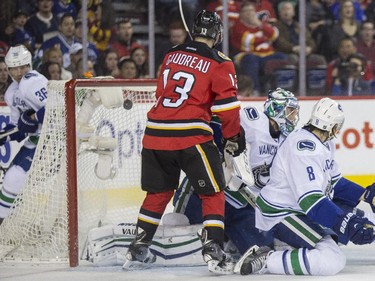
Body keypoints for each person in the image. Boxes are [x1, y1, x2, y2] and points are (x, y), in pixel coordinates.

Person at [123, 10, 245, 274]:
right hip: (190, 135)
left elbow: (162, 93)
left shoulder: (171, 54)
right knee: (212, 192)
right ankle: (213, 248)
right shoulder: (220, 61)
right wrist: (234, 136)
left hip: (155, 132)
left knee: (158, 193)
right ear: (217, 33)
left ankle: (138, 247)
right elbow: (228, 109)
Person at [235, 97, 375, 276]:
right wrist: (347, 225)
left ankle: (284, 248)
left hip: (300, 211)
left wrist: (367, 195)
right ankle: (267, 259)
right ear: (333, 126)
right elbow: (311, 201)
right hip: (281, 214)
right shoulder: (302, 149)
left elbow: (335, 182)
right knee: (332, 259)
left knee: (369, 219)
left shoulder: (324, 143)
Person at [174, 88, 300, 257]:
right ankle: (177, 222)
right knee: (182, 223)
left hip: (242, 204)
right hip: (214, 192)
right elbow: (217, 123)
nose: (294, 117)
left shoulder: (286, 141)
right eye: (290, 112)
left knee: (262, 247)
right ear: (276, 109)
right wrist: (224, 153)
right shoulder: (254, 119)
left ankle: (227, 238)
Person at [0, 45, 47, 225]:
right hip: (37, 139)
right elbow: (19, 128)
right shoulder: (12, 92)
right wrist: (6, 135)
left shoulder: (32, 81)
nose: (19, 72)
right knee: (11, 179)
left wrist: (34, 117)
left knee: (14, 177)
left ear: (29, 65)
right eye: (14, 68)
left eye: (23, 66)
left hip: (53, 138)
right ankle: (8, 223)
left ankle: (4, 225)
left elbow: (58, 107)